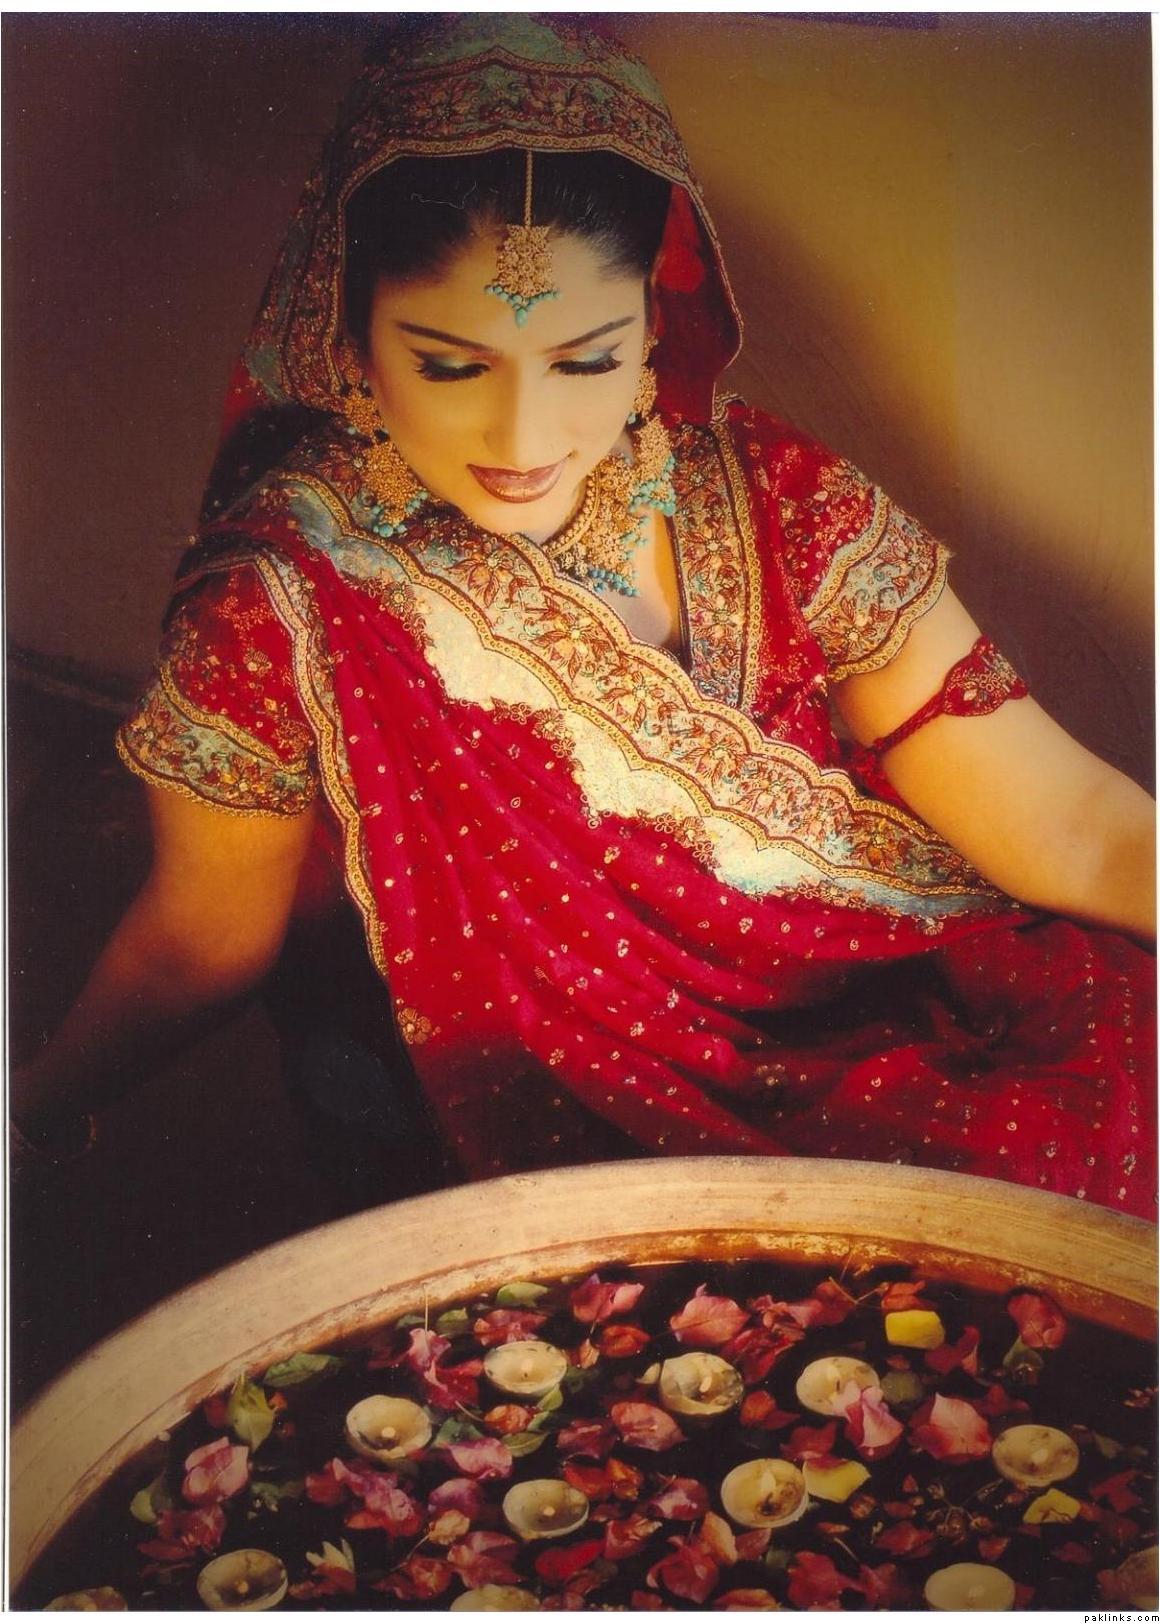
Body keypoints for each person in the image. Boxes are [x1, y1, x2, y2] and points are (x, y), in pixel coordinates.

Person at [11, 15, 1155, 1216]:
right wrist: (29, 1102)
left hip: (882, 998)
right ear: (348, 335)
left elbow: (1064, 821)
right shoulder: (282, 594)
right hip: (589, 1107)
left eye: (583, 360)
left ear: (653, 323)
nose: (521, 438)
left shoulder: (772, 492)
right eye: (450, 365)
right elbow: (201, 938)